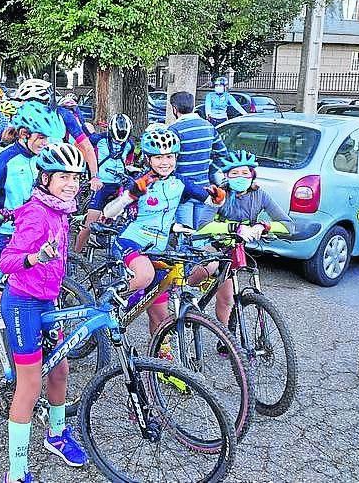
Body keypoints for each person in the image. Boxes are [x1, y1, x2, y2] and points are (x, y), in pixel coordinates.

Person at [0, 142, 89, 483]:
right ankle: (16, 472)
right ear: (46, 178)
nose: (71, 183)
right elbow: (7, 261)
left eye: (76, 177)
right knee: (30, 384)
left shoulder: (62, 208)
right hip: (23, 303)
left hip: (47, 300)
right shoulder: (37, 214)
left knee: (61, 370)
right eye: (63, 176)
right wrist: (35, 258)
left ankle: (56, 435)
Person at [103, 124, 226, 333]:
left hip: (159, 250)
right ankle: (106, 306)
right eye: (159, 157)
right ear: (149, 159)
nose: (165, 162)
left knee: (160, 315)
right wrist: (129, 195)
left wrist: (218, 198)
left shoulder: (180, 183)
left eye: (169, 157)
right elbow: (108, 213)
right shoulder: (139, 182)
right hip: (132, 242)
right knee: (144, 275)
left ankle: (159, 358)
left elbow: (211, 202)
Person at [189, 150, 292, 326]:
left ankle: (227, 338)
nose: (240, 177)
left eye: (245, 173)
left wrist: (263, 226)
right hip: (214, 245)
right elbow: (202, 227)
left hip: (236, 249)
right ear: (227, 176)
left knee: (227, 299)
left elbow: (288, 225)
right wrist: (234, 228)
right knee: (207, 268)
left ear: (252, 174)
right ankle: (185, 292)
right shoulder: (220, 194)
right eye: (234, 173)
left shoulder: (260, 195)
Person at [0, 101, 66, 266]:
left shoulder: (42, 159)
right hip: (2, 231)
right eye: (40, 137)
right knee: (9, 281)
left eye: (46, 138)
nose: (45, 143)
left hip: (31, 230)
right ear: (24, 134)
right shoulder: (5, 159)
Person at [15, 78, 101, 193]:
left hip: (56, 169)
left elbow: (87, 146)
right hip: (29, 167)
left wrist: (95, 176)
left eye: (25, 102)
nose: (22, 105)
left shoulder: (63, 115)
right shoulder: (23, 118)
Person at [73, 113, 136, 252]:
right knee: (89, 225)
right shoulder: (98, 139)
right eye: (116, 139)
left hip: (119, 185)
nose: (119, 143)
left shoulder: (129, 145)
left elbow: (129, 160)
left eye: (122, 141)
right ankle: (74, 255)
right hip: (101, 185)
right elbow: (80, 144)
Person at [169, 91, 229, 229]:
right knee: (200, 233)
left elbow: (169, 162)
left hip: (184, 191)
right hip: (205, 189)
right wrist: (209, 172)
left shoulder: (174, 130)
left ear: (174, 108)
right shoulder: (208, 126)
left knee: (184, 234)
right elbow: (222, 154)